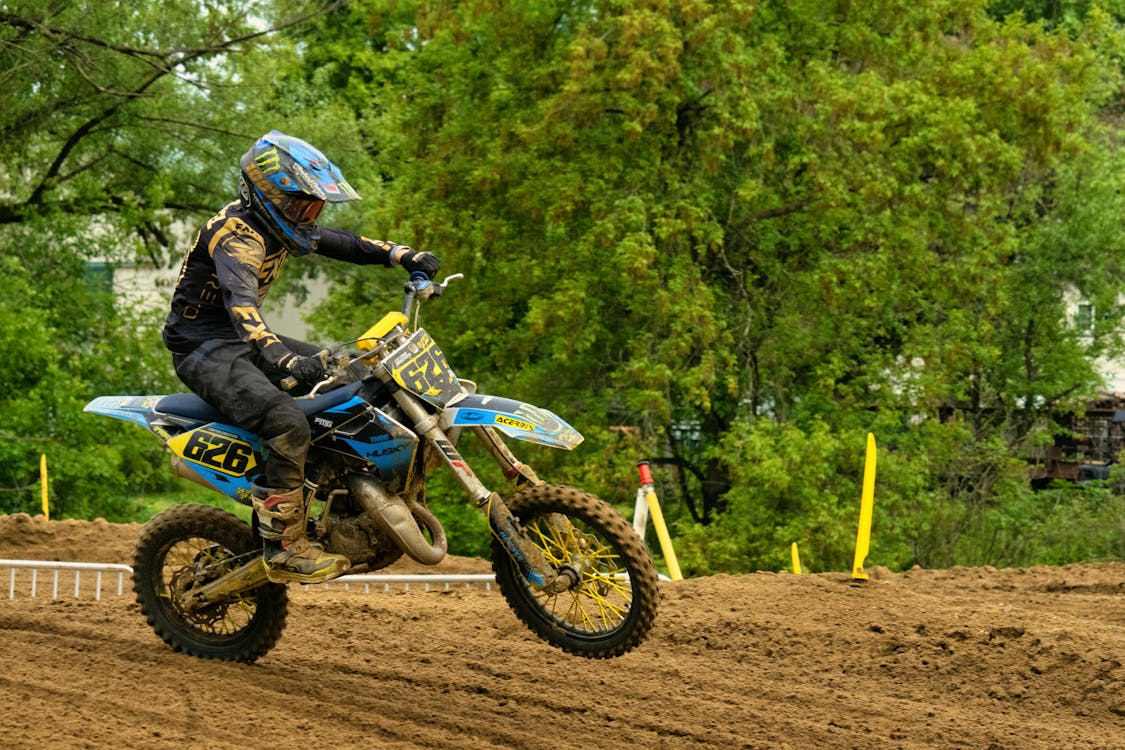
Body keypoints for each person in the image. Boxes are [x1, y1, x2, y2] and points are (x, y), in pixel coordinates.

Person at [162, 130, 439, 584]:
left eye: (316, 207)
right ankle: (283, 546)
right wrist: (284, 362)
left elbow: (341, 242)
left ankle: (338, 496)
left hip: (241, 338)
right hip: (205, 347)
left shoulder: (276, 224)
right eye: (303, 206)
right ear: (267, 197)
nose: (310, 218)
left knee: (356, 374)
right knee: (286, 419)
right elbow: (242, 305)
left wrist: (401, 255)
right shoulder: (236, 237)